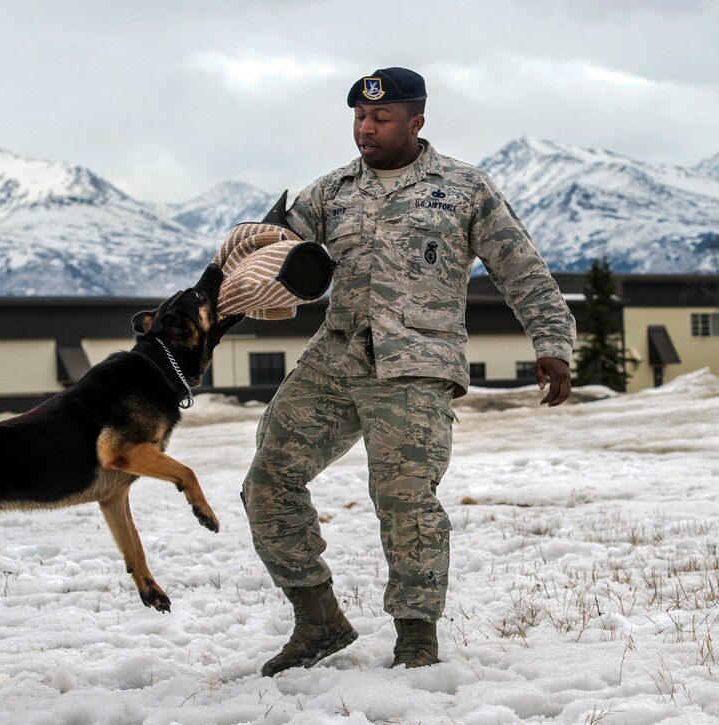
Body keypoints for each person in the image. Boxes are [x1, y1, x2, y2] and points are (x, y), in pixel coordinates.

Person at [242, 67, 575, 676]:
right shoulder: (330, 192)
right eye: (359, 118)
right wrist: (231, 281)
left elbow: (523, 271)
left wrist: (552, 342)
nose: (365, 129)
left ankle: (416, 639)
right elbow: (269, 263)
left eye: (381, 119)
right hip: (337, 355)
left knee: (404, 500)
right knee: (267, 483)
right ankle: (318, 621)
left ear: (416, 123)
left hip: (416, 363)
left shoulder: (464, 189)